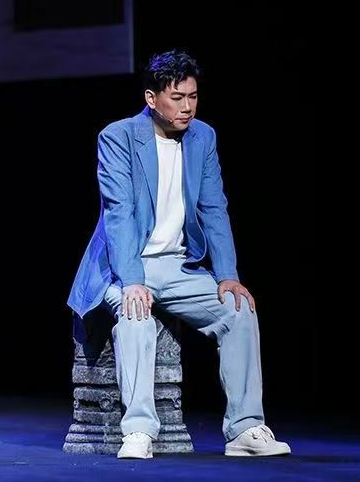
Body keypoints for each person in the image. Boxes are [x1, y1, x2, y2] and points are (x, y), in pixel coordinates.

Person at [67, 49, 291, 459]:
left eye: (193, 96)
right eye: (177, 98)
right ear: (152, 99)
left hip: (178, 266)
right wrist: (132, 280)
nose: (187, 106)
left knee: (239, 310)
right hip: (122, 265)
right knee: (136, 315)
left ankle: (245, 428)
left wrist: (227, 275)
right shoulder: (118, 137)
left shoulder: (203, 137)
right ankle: (138, 430)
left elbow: (214, 208)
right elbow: (119, 213)